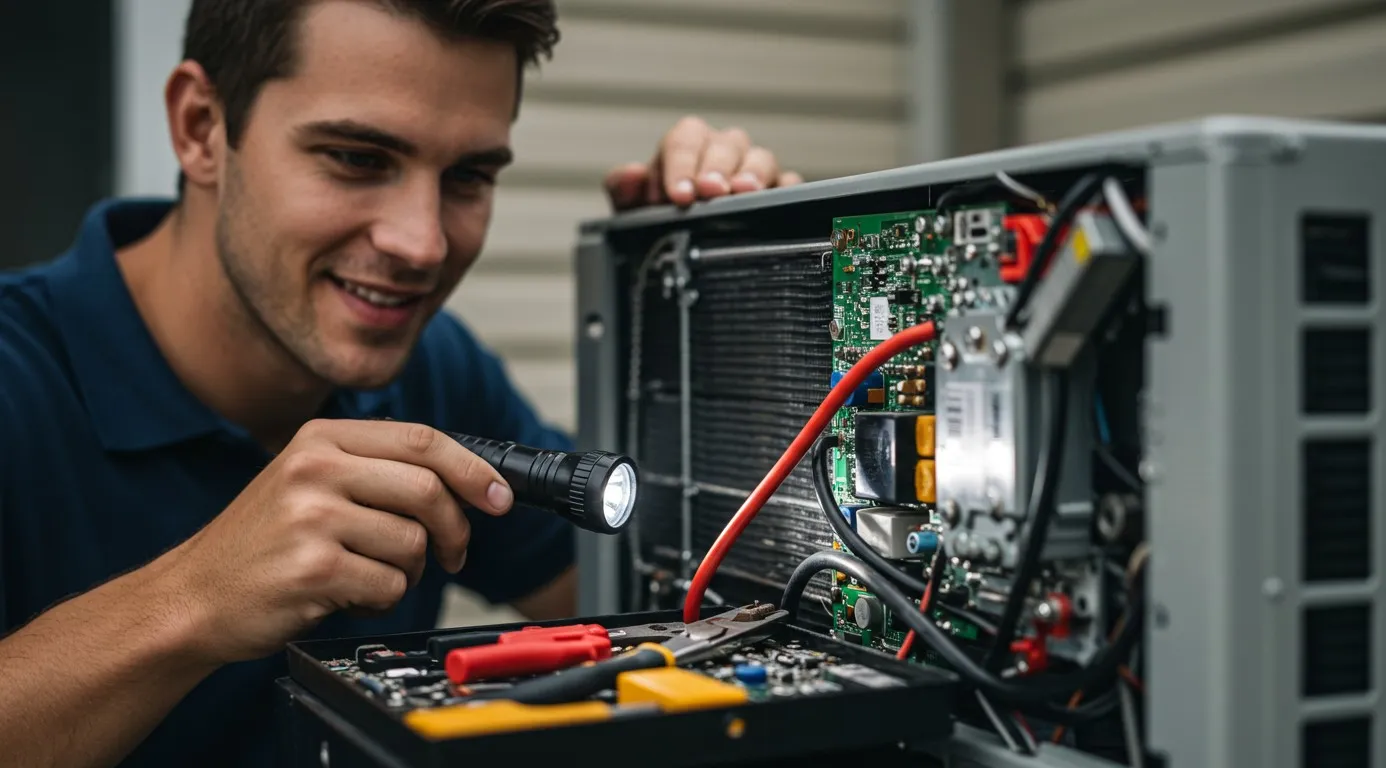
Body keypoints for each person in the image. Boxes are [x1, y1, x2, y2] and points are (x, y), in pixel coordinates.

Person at [0, 1, 802, 765]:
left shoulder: (432, 366)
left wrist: (695, 304)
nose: (421, 244)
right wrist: (192, 599)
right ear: (201, 128)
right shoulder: (19, 380)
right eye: (357, 158)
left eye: (468, 176)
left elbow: (659, 597)